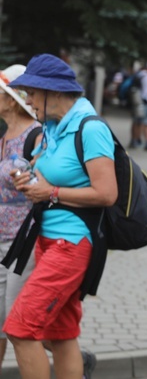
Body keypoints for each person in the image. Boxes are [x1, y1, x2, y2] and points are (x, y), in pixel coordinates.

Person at [1, 53, 116, 379]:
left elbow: (107, 194)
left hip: (71, 243)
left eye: (32, 94)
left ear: (52, 92)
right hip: (47, 241)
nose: (28, 101)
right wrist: (30, 180)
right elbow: (49, 174)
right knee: (63, 336)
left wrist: (50, 193)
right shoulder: (53, 126)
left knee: (21, 329)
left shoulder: (90, 128)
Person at [0, 64, 42, 374]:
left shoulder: (35, 135)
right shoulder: (3, 133)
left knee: (15, 323)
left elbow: (42, 186)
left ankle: (71, 350)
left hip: (19, 242)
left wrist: (26, 180)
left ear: (12, 99)